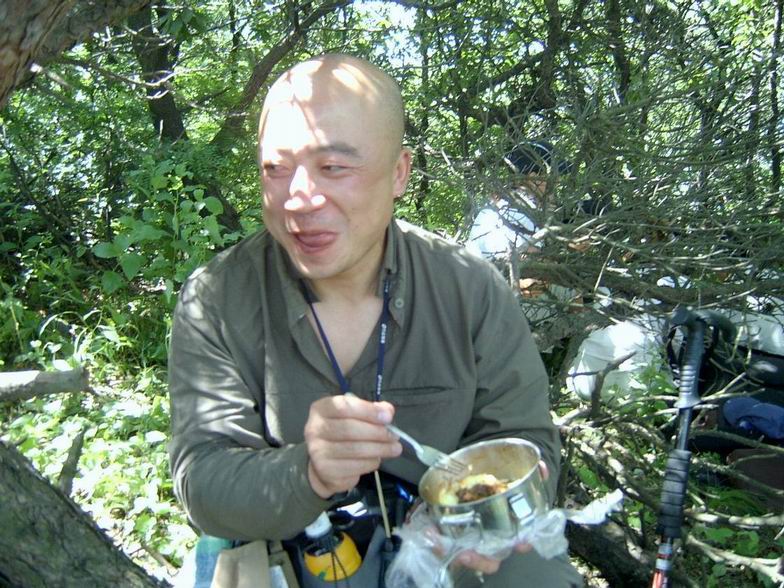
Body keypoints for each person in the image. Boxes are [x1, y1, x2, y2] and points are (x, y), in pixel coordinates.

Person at [168, 53, 582, 587]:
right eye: (275, 169)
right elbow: (203, 481)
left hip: (451, 538)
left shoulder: (467, 287)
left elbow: (525, 440)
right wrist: (308, 470)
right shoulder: (219, 297)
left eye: (333, 167)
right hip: (292, 541)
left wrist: (481, 520)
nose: (298, 199)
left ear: (399, 173)